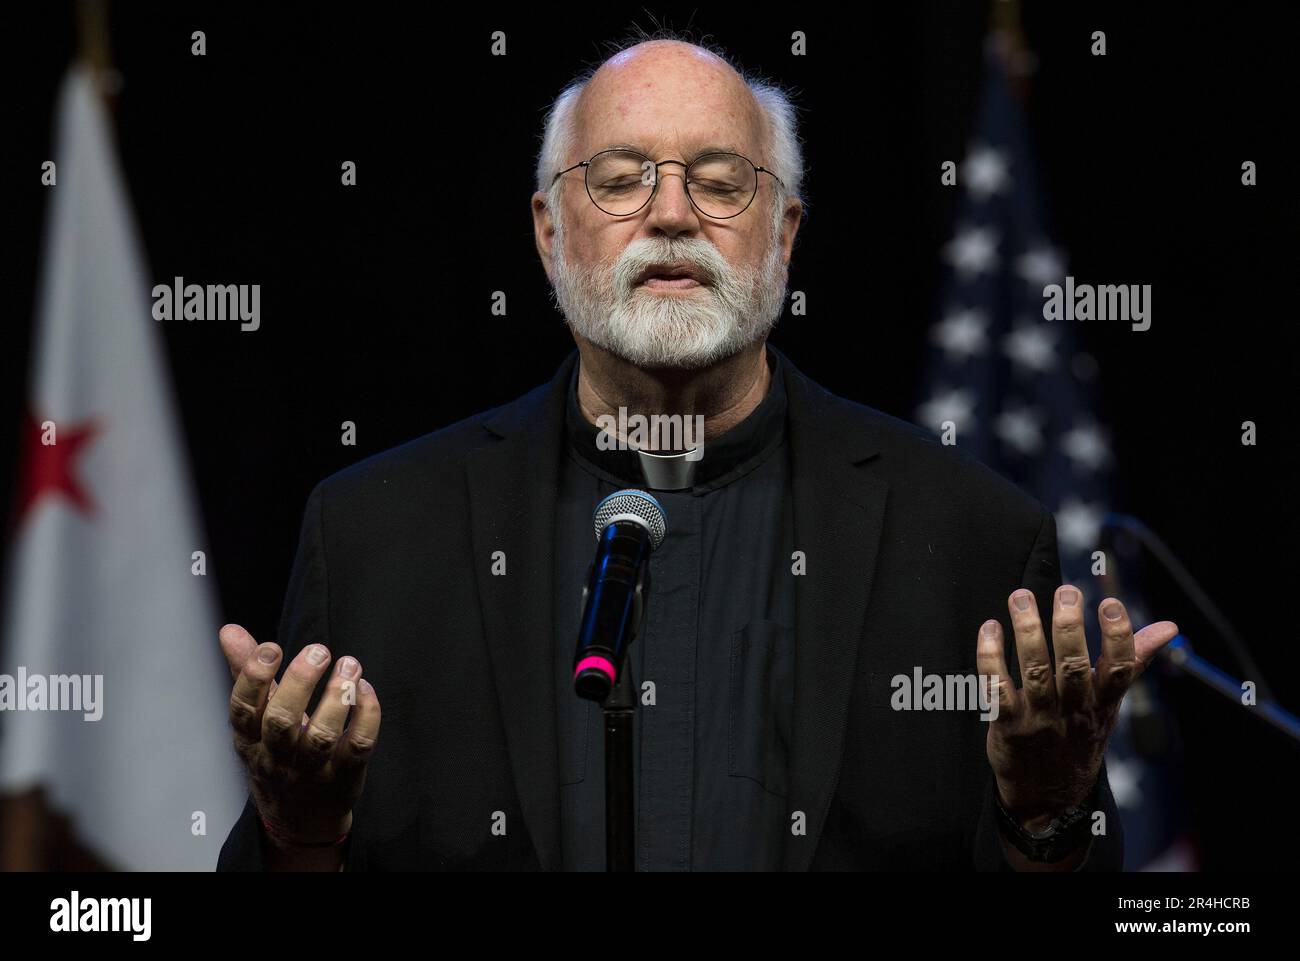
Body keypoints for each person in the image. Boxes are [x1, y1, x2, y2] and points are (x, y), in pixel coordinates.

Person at [217, 36, 1177, 872]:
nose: (671, 213)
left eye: (720, 182)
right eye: (621, 177)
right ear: (551, 235)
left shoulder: (971, 535)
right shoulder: (377, 537)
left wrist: (1043, 817)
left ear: (785, 235)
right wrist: (299, 833)